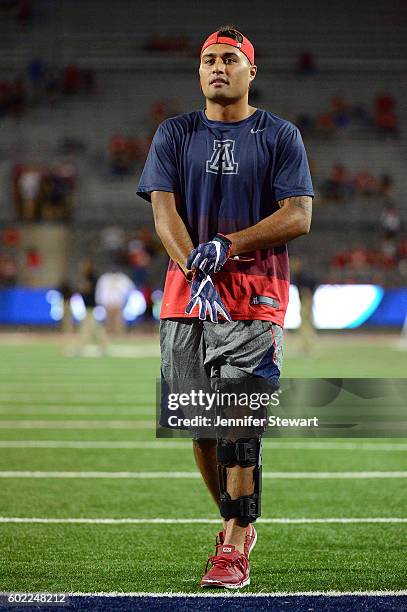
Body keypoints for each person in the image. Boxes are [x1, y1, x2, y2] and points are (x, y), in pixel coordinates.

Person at [137, 25, 313, 589]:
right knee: (200, 426)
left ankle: (234, 543)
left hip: (254, 297)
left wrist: (226, 245)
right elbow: (164, 215)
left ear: (250, 72)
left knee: (239, 424)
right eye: (210, 58)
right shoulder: (174, 133)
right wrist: (195, 270)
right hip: (184, 299)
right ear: (199, 71)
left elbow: (298, 215)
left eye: (230, 59)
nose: (219, 67)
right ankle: (236, 520)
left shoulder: (279, 135)